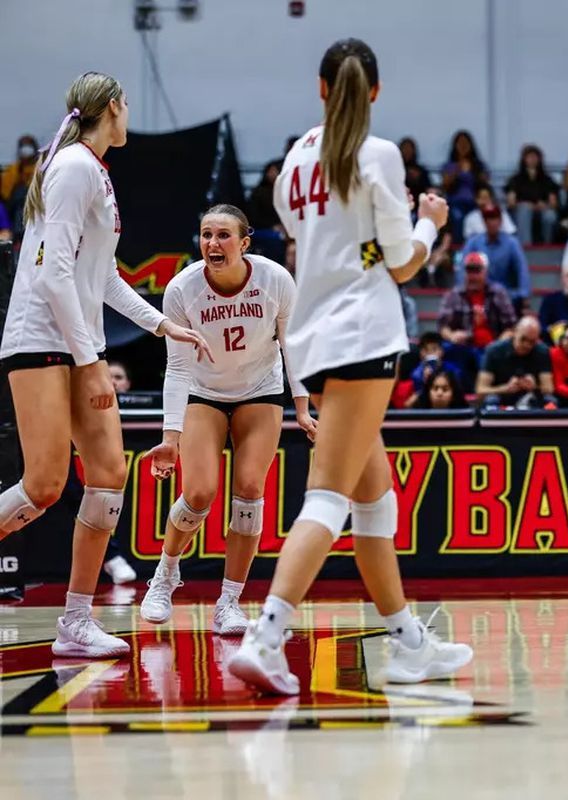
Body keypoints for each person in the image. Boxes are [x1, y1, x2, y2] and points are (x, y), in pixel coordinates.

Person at [229, 39, 472, 694]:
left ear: (320, 88)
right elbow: (401, 264)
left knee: (375, 501)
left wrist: (369, 244)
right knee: (330, 497)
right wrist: (430, 224)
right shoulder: (379, 154)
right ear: (375, 92)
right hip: (364, 335)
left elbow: (321, 245)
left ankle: (409, 644)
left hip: (313, 340)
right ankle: (266, 634)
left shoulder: (290, 167)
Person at [0, 72, 211, 658]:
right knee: (43, 484)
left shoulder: (92, 170)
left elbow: (101, 277)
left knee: (108, 476)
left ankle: (76, 620)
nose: (128, 115)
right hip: (41, 340)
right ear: (112, 108)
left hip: (76, 342)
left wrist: (159, 323)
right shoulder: (72, 167)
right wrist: (92, 361)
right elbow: (52, 274)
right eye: (125, 106)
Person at [140, 205, 317, 633]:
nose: (213, 244)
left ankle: (230, 602)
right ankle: (165, 574)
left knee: (251, 491)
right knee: (199, 492)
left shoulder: (275, 279)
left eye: (222, 235)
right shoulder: (182, 289)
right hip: (204, 391)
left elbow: (292, 343)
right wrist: (170, 436)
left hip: (260, 389)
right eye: (205, 235)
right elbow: (178, 368)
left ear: (244, 242)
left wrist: (302, 405)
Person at [437, 251, 518, 376]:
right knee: (448, 350)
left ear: (485, 271)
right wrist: (452, 335)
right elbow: (442, 326)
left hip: (492, 345)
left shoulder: (498, 293)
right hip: (463, 347)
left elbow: (511, 327)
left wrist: (497, 344)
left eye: (477, 271)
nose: (473, 276)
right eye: (469, 271)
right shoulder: (453, 295)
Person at [476, 317, 554, 408]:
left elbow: (549, 389)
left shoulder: (542, 351)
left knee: (551, 401)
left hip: (532, 399)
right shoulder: (494, 351)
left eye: (532, 342)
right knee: (491, 400)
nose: (527, 345)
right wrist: (505, 388)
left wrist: (534, 387)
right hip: (502, 399)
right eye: (523, 339)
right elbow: (480, 390)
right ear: (515, 332)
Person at [461, 205, 530, 306]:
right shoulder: (473, 242)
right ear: (484, 221)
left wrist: (524, 295)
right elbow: (462, 268)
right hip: (478, 296)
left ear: (500, 221)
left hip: (506, 296)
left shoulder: (511, 243)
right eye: (488, 219)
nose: (491, 222)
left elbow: (522, 269)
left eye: (494, 218)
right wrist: (462, 292)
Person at [504, 144, 559, 245]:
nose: (532, 159)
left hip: (541, 210)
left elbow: (553, 203)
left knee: (550, 215)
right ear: (524, 159)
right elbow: (511, 203)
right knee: (525, 209)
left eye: (535, 156)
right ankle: (526, 246)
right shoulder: (515, 180)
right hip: (521, 211)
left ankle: (546, 246)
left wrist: (544, 205)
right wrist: (526, 205)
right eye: (529, 156)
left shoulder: (547, 180)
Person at [441, 129, 489, 241]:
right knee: (457, 217)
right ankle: (459, 247)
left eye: (466, 143)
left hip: (475, 202)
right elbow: (445, 186)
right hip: (455, 202)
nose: (463, 146)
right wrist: (457, 170)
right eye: (460, 143)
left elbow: (485, 183)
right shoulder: (449, 165)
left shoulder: (478, 165)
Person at [407, 331, 462, 399]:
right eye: (426, 350)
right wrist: (425, 382)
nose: (430, 353)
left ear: (441, 351)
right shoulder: (416, 374)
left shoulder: (453, 370)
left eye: (434, 349)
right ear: (420, 353)